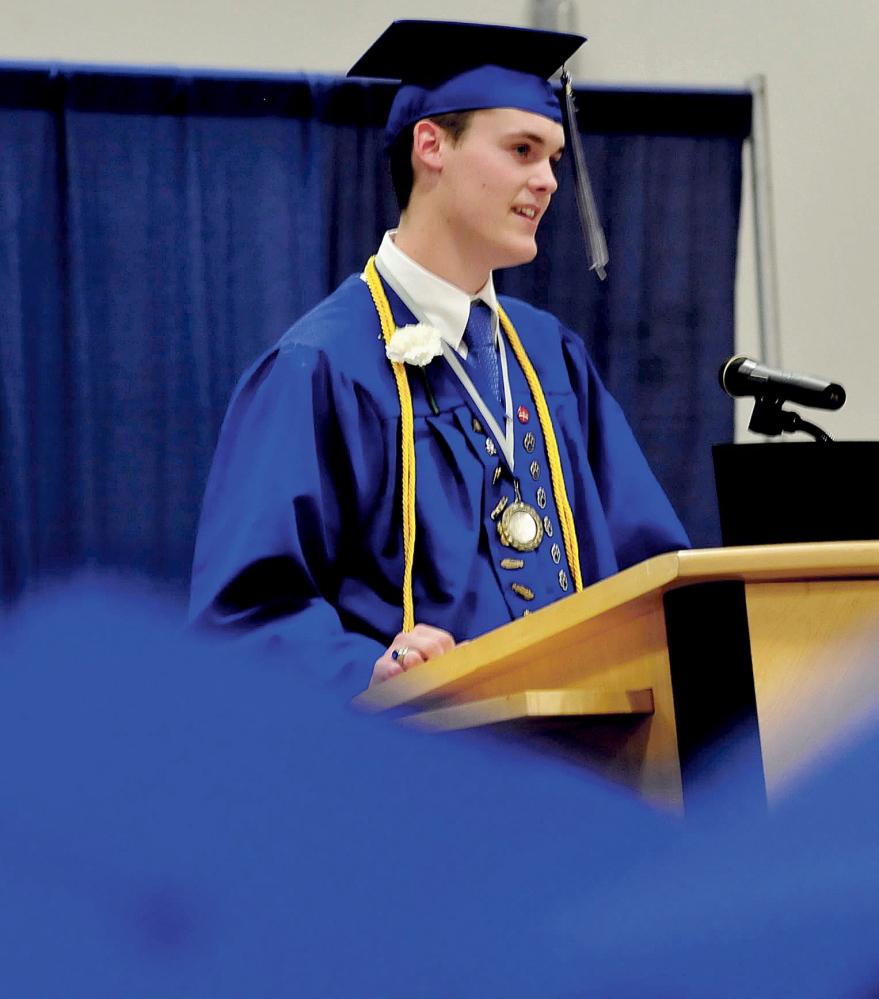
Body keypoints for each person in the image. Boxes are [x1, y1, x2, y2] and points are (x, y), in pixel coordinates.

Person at [189, 20, 689, 696]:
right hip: (416, 771)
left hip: (586, 761)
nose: (545, 181)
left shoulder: (551, 356)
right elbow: (246, 613)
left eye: (552, 160)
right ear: (431, 146)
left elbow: (651, 571)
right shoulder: (322, 367)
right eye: (520, 150)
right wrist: (367, 673)